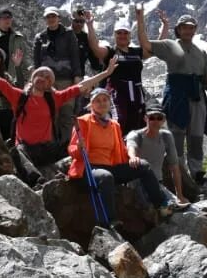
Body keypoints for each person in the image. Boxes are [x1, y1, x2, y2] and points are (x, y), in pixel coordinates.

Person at [0, 39, 116, 169]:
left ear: (51, 85)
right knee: (17, 152)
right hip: (27, 150)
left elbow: (81, 86)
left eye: (48, 77)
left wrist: (106, 73)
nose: (44, 78)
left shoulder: (55, 98)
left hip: (47, 148)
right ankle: (38, 182)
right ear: (33, 79)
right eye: (40, 75)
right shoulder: (18, 96)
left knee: (69, 146)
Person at [138, 7, 207, 182]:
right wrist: (140, 19)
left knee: (196, 136)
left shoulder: (201, 52)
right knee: (177, 135)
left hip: (197, 98)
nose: (188, 30)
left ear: (195, 30)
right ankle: (178, 170)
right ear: (178, 30)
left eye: (191, 27)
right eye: (184, 27)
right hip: (176, 96)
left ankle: (196, 172)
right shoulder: (169, 45)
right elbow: (146, 44)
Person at [68, 89, 171, 221]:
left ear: (109, 102)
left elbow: (121, 150)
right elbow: (71, 149)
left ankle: (161, 205)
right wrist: (78, 147)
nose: (102, 103)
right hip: (88, 169)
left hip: (111, 167)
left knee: (143, 166)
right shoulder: (82, 121)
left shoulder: (114, 125)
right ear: (91, 105)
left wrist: (132, 158)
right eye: (97, 101)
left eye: (105, 100)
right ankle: (111, 221)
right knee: (106, 177)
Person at [84, 12, 151, 128]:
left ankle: (130, 146)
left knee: (139, 122)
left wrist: (142, 20)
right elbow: (95, 48)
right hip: (117, 93)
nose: (122, 35)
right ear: (114, 35)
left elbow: (153, 49)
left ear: (130, 35)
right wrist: (90, 26)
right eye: (119, 33)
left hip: (136, 92)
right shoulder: (110, 52)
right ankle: (115, 144)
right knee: (119, 120)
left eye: (125, 33)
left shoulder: (136, 52)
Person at [126, 103, 188, 207]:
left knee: (171, 206)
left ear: (163, 120)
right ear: (145, 118)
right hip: (137, 184)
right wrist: (133, 157)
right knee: (163, 206)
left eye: (159, 118)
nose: (155, 121)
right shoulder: (135, 135)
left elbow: (174, 167)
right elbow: (131, 147)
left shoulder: (166, 136)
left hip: (158, 183)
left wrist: (180, 195)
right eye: (152, 118)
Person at [33, 7, 84, 89]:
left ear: (59, 18)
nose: (51, 19)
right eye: (48, 17)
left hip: (66, 79)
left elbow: (74, 56)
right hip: (46, 80)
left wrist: (77, 75)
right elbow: (37, 61)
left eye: (53, 16)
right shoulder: (40, 37)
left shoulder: (69, 35)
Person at [72, 8, 106, 77]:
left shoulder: (86, 38)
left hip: (78, 77)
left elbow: (94, 62)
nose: (79, 24)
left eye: (81, 21)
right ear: (71, 21)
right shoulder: (64, 35)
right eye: (76, 21)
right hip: (62, 76)